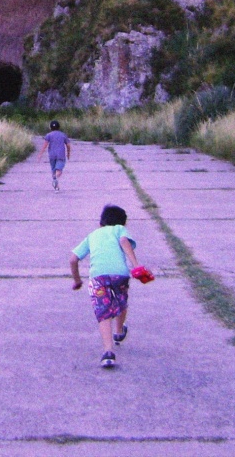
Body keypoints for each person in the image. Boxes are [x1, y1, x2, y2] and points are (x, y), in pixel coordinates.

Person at [70, 204, 141, 368]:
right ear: (123, 223)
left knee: (104, 312)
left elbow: (73, 259)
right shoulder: (119, 230)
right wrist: (136, 265)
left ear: (100, 222)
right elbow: (124, 241)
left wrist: (77, 280)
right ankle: (119, 331)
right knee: (121, 301)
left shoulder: (92, 235)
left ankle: (108, 352)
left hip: (98, 277)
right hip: (120, 274)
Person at [39, 120, 71, 191]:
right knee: (59, 170)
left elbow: (45, 145)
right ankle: (55, 178)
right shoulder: (63, 135)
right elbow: (68, 145)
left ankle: (56, 186)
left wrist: (40, 154)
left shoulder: (48, 135)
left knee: (53, 170)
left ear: (50, 127)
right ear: (59, 127)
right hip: (61, 155)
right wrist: (68, 153)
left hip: (52, 155)